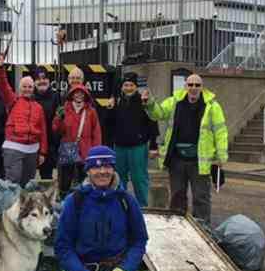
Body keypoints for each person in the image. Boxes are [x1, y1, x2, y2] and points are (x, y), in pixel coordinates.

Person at [46, 145, 148, 271]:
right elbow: (63, 246)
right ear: (88, 171)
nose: (102, 171)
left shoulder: (126, 200)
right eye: (96, 167)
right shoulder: (74, 201)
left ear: (113, 168)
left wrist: (126, 270)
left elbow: (139, 241)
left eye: (107, 166)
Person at [144, 73, 228, 225]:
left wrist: (221, 157)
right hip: (176, 159)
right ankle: (177, 226)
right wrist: (150, 103)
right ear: (185, 86)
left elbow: (221, 132)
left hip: (199, 162)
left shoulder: (212, 106)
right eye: (190, 85)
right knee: (177, 196)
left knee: (200, 197)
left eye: (197, 85)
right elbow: (159, 114)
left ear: (202, 87)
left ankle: (202, 228)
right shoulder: (175, 101)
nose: (193, 88)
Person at [106, 72, 160, 207]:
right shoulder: (116, 101)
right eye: (125, 85)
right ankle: (119, 205)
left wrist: (153, 145)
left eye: (131, 85)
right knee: (119, 179)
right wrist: (110, 109)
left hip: (138, 147)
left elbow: (153, 122)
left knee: (139, 178)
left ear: (136, 87)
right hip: (119, 147)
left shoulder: (143, 100)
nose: (128, 88)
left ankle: (143, 206)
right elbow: (108, 124)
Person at [0, 53, 47, 186]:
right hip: (14, 148)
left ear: (33, 88)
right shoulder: (12, 100)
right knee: (13, 183)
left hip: (32, 150)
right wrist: (0, 67)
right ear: (19, 88)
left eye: (30, 87)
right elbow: (2, 84)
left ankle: (24, 207)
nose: (27, 89)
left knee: (27, 184)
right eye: (24, 86)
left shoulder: (38, 107)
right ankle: (12, 207)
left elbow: (43, 131)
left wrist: (43, 152)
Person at [52, 84, 102, 194]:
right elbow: (57, 130)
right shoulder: (64, 109)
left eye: (82, 93)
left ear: (85, 95)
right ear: (71, 95)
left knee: (84, 183)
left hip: (85, 152)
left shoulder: (91, 111)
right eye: (76, 92)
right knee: (64, 183)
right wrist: (58, 119)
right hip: (67, 151)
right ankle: (64, 204)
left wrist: (96, 152)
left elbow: (96, 132)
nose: (79, 95)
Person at [33, 66, 61, 180]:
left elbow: (59, 120)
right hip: (33, 143)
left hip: (50, 145)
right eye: (38, 79)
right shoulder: (30, 97)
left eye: (44, 78)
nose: (41, 81)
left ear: (49, 81)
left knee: (47, 177)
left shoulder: (55, 97)